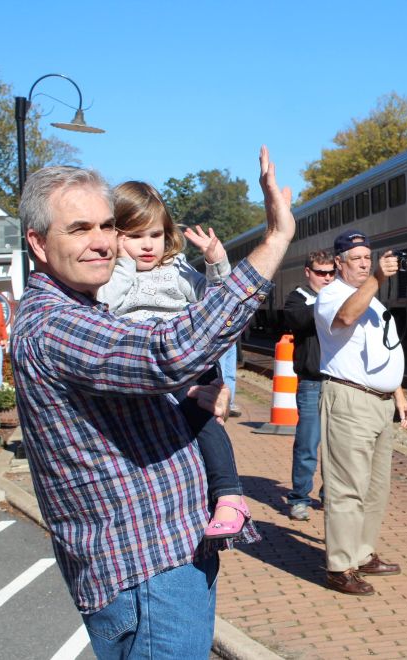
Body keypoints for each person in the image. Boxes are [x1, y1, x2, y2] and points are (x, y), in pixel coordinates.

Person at [11, 146, 293, 658]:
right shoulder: (55, 324)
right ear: (38, 241)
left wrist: (186, 393)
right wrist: (274, 241)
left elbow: (156, 371)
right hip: (147, 573)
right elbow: (168, 353)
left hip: (161, 564)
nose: (100, 243)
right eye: (79, 229)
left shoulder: (89, 310)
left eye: (106, 227)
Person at [96, 180, 249, 539]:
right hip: (144, 366)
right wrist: (123, 264)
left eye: (155, 234)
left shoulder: (177, 270)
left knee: (203, 418)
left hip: (184, 360)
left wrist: (216, 263)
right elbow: (107, 304)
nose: (148, 245)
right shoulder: (112, 276)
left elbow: (216, 302)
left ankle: (229, 495)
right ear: (115, 236)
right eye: (134, 236)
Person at [314, 230, 407, 596]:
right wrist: (377, 280)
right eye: (355, 259)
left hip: (380, 402)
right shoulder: (332, 295)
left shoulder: (374, 301)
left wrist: (398, 393)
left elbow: (387, 350)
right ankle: (339, 567)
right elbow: (344, 318)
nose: (363, 264)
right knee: (346, 488)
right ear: (338, 263)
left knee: (375, 488)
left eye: (367, 259)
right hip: (350, 401)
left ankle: (363, 551)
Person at [283, 250, 335, 520]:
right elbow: (299, 319)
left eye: (331, 273)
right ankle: (299, 498)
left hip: (339, 384)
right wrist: (329, 300)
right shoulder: (298, 298)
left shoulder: (340, 295)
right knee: (307, 444)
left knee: (336, 445)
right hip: (312, 383)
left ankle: (331, 496)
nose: (326, 278)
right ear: (308, 272)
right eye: (320, 272)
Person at [219, 343, 242, 417]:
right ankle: (220, 404)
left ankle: (229, 404)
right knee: (220, 373)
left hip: (232, 341)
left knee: (230, 375)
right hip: (221, 340)